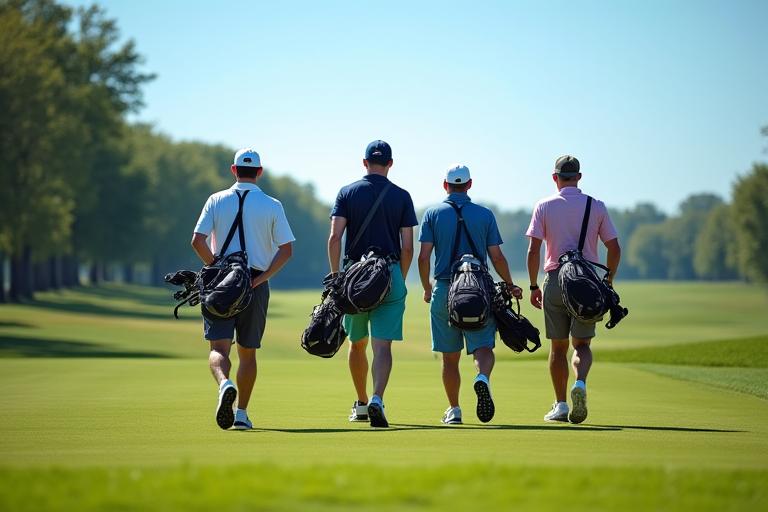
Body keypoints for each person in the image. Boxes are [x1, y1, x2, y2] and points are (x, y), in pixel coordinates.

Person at [191, 148, 295, 430]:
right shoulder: (273, 205)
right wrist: (260, 280)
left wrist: (217, 267)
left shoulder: (216, 200)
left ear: (233, 170)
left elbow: (197, 241)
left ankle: (225, 383)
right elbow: (286, 250)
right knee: (248, 352)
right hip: (255, 282)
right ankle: (241, 415)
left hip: (219, 284)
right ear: (259, 172)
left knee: (219, 348)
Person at [417, 164, 523, 424]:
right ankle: (482, 378)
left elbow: (423, 257)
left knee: (449, 358)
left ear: (445, 185)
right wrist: (510, 284)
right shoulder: (485, 214)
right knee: (483, 347)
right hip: (479, 290)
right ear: (470, 184)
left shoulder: (432, 213)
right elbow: (497, 256)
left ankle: (453, 410)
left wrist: (427, 288)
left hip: (445, 288)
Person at [328, 140, 417, 428]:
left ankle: (362, 403)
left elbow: (334, 238)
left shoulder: (347, 192)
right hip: (389, 274)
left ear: (364, 162)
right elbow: (407, 248)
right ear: (390, 163)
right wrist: (398, 279)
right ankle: (378, 397)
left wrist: (336, 278)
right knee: (383, 347)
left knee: (356, 345)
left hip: (355, 278)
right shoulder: (402, 196)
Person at [525, 155, 620, 424]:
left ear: (554, 178)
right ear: (579, 177)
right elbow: (614, 248)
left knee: (558, 348)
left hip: (555, 279)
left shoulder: (543, 206)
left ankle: (561, 405)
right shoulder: (596, 206)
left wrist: (533, 285)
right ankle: (579, 383)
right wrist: (608, 282)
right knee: (582, 345)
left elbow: (533, 250)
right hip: (587, 284)